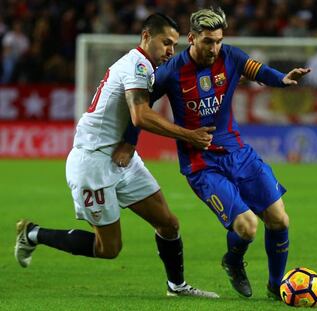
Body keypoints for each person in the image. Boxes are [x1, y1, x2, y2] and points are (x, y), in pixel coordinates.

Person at [14, 13, 218, 298]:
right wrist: (189, 135)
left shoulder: (146, 67)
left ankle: (177, 286)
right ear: (146, 37)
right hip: (93, 163)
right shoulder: (136, 65)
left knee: (168, 224)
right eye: (166, 42)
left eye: (175, 44)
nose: (171, 50)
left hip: (122, 158)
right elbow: (140, 115)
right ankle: (33, 234)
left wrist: (130, 144)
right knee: (108, 249)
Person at [116, 7, 310, 298]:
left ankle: (276, 285)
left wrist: (281, 79)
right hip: (201, 163)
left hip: (238, 153)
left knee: (280, 219)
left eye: (218, 40)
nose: (214, 47)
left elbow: (258, 71)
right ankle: (233, 261)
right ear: (192, 38)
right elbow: (141, 110)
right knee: (247, 227)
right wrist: (130, 143)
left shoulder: (230, 56)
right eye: (208, 41)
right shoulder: (171, 71)